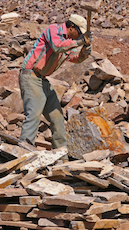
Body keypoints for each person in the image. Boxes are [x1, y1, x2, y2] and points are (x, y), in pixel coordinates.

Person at [19, 14, 93, 153]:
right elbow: (57, 46)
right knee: (34, 112)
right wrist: (80, 42)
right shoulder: (53, 30)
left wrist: (84, 52)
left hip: (42, 79)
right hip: (30, 76)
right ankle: (24, 151)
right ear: (72, 27)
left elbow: (75, 58)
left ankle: (61, 155)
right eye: (79, 33)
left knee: (57, 117)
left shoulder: (69, 41)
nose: (78, 37)